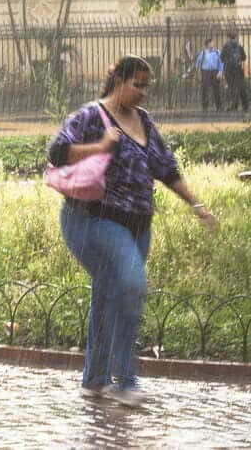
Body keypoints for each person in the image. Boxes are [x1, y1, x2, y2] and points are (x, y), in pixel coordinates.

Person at [47, 55, 217, 407]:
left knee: (110, 293)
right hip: (92, 220)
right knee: (131, 286)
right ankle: (125, 380)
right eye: (136, 84)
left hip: (138, 226)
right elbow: (57, 151)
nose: (141, 92)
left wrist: (197, 205)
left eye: (146, 85)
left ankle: (94, 380)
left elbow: (165, 168)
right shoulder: (92, 116)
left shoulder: (144, 121)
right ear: (118, 81)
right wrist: (100, 146)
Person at [220, 31, 249, 112]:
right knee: (241, 87)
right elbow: (244, 57)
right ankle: (245, 105)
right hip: (238, 70)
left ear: (228, 38)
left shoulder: (226, 46)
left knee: (233, 88)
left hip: (229, 70)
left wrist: (228, 61)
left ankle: (234, 106)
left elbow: (221, 58)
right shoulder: (239, 46)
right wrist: (238, 60)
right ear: (235, 37)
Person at [194, 37, 224, 113]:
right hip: (205, 72)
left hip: (215, 72)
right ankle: (205, 106)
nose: (212, 44)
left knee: (216, 90)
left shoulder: (217, 52)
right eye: (211, 43)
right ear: (207, 44)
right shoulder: (203, 53)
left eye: (213, 42)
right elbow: (198, 63)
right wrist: (198, 73)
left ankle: (219, 106)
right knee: (205, 90)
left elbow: (221, 62)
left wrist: (220, 72)